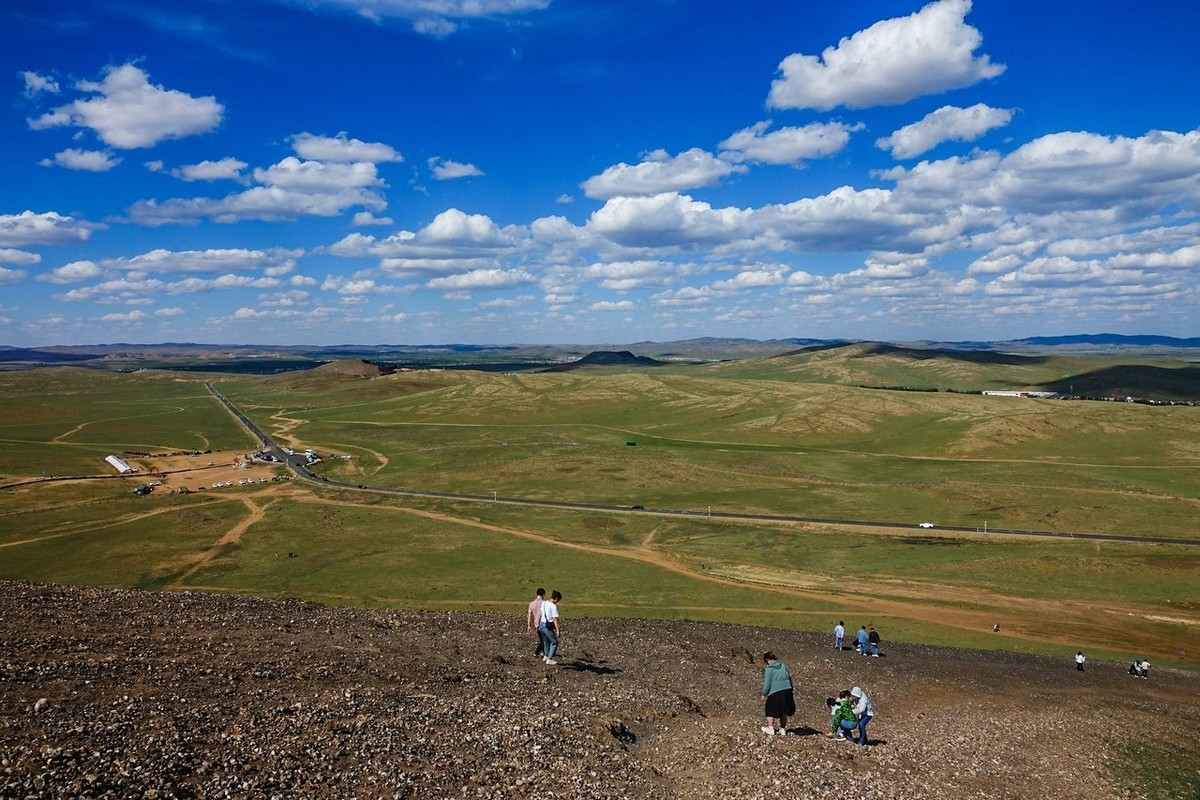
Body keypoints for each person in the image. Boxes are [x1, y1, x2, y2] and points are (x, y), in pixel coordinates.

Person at [759, 651, 795, 736]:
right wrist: (791, 688)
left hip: (776, 691)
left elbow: (767, 683)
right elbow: (789, 678)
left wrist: (764, 693)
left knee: (769, 708)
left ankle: (770, 728)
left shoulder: (769, 669)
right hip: (787, 689)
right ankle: (782, 729)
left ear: (767, 659)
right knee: (784, 710)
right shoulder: (783, 666)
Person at [539, 590, 562, 665]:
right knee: (554, 642)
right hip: (547, 626)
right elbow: (554, 619)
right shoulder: (553, 606)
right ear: (556, 598)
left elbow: (541, 613)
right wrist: (558, 630)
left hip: (542, 624)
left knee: (546, 641)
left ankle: (546, 656)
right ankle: (550, 658)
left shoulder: (544, 603)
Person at [526, 588, 545, 659]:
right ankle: (537, 652)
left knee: (542, 638)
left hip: (536, 623)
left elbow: (529, 615)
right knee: (544, 640)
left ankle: (543, 652)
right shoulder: (544, 603)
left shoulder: (531, 604)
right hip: (543, 623)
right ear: (543, 595)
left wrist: (529, 625)